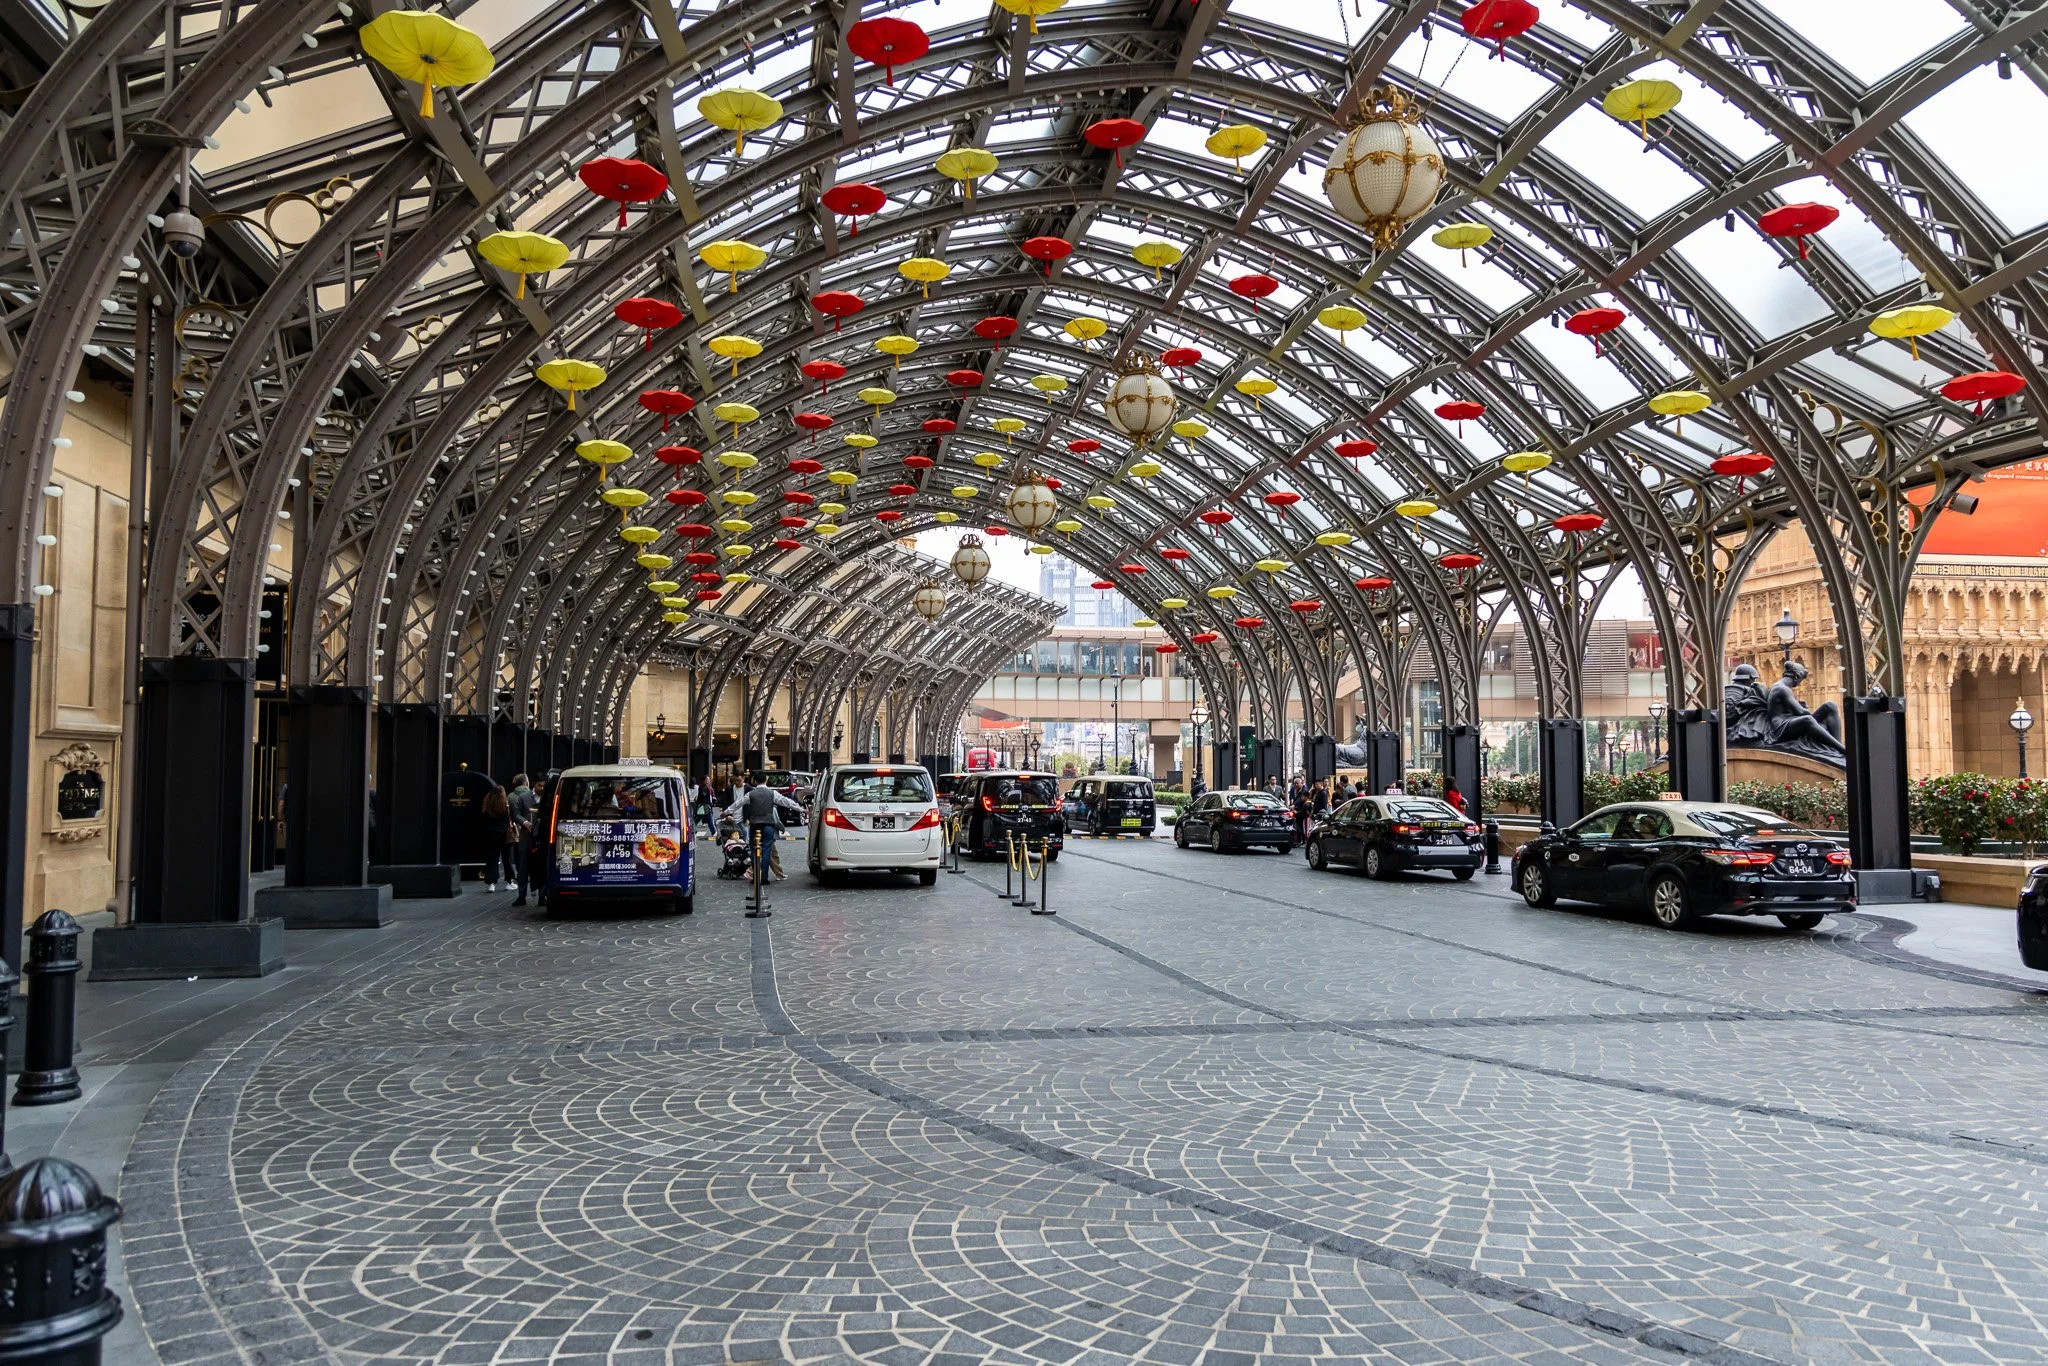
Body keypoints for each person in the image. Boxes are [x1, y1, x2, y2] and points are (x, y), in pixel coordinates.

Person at [723, 776, 805, 882]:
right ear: (766, 780)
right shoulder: (772, 793)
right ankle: (764, 877)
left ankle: (756, 875)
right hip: (768, 825)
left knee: (753, 851)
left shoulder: (751, 794)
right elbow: (786, 802)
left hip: (755, 825)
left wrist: (725, 812)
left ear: (755, 781)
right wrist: (801, 809)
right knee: (766, 851)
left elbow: (737, 804)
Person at [507, 773, 539, 906]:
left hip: (531, 834)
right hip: (529, 834)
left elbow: (513, 814)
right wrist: (525, 822)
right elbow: (516, 814)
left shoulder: (511, 796)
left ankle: (530, 894)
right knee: (528, 865)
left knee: (529, 865)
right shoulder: (524, 797)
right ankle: (528, 894)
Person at [479, 782, 514, 893]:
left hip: (491, 835)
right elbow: (510, 820)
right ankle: (509, 881)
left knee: (492, 859)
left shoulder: (487, 807)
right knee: (506, 859)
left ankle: (491, 884)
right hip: (504, 835)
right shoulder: (505, 806)